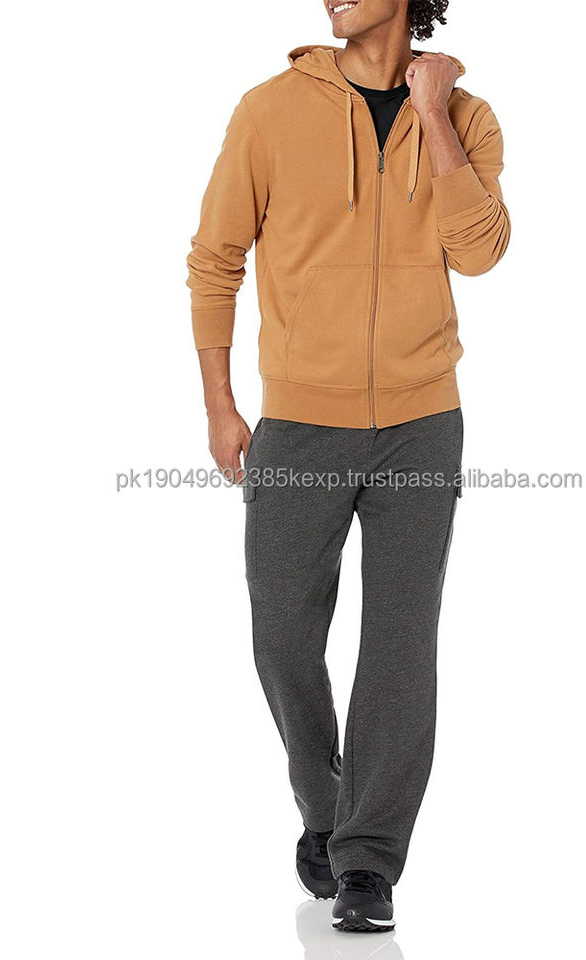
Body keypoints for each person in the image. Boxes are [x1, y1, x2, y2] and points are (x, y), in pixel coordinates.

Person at [186, 0, 509, 933]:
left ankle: (367, 861)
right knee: (283, 635)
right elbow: (215, 259)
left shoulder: (469, 116)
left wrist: (434, 114)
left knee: (400, 644)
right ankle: (326, 809)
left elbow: (480, 253)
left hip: (422, 420)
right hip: (299, 421)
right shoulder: (268, 110)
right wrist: (219, 405)